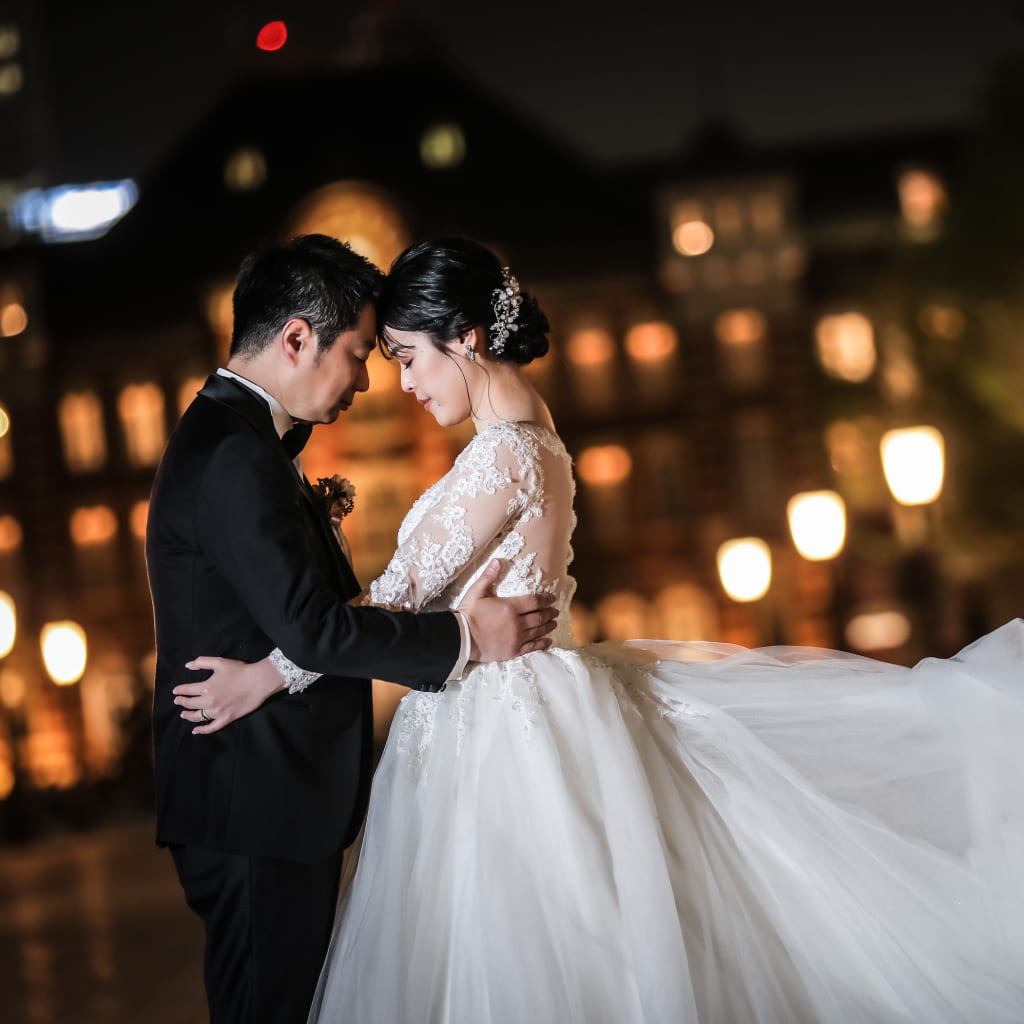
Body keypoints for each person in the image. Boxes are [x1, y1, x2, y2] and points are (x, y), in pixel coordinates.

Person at [178, 238, 1024, 1023]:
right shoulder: (531, 439)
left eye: (405, 356)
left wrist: (261, 675)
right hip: (508, 713)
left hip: (495, 737)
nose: (397, 382)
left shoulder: (500, 457)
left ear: (465, 339)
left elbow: (392, 598)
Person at [145, 234, 557, 1024]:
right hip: (251, 796)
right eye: (362, 352)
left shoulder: (245, 439)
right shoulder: (233, 452)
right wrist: (468, 638)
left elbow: (306, 619)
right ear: (297, 337)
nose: (370, 380)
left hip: (266, 793)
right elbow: (314, 628)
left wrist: (269, 670)